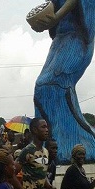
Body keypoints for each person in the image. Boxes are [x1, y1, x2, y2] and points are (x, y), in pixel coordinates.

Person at [32, 0, 95, 162]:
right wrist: (43, 21)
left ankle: (74, 146)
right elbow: (53, 5)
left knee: (51, 84)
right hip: (61, 38)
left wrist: (56, 17)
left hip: (78, 38)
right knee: (41, 87)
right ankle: (51, 145)